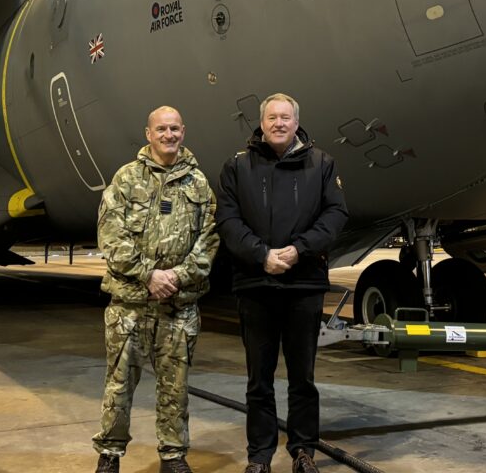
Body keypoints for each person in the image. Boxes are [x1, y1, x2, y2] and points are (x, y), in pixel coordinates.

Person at [215, 93, 349, 473]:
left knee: (302, 378)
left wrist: (297, 250)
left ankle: (303, 451)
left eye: (285, 118)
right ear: (261, 123)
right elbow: (228, 220)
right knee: (259, 379)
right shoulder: (237, 167)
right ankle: (259, 456)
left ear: (296, 123)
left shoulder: (321, 163)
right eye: (272, 117)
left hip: (303, 285)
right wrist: (262, 255)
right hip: (256, 286)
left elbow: (336, 213)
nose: (278, 123)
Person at [93, 106, 219, 473]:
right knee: (118, 385)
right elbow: (110, 236)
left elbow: (209, 240)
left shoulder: (198, 184)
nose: (168, 135)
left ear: (183, 132)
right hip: (130, 305)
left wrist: (178, 276)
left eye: (175, 128)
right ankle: (110, 455)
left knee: (175, 388)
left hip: (178, 305)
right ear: (148, 134)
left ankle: (173, 455)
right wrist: (148, 275)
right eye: (161, 129)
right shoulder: (127, 178)